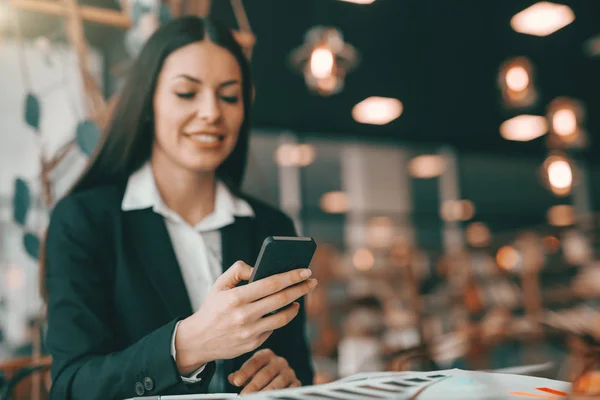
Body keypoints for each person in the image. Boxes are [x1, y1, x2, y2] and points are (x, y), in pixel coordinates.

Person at [43, 16, 317, 400]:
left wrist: (287, 380)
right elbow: (70, 387)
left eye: (229, 96)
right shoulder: (85, 220)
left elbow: (299, 366)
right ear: (148, 101)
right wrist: (187, 346)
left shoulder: (269, 226)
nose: (211, 112)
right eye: (186, 93)